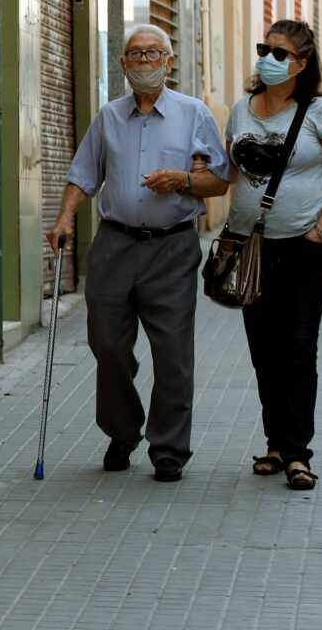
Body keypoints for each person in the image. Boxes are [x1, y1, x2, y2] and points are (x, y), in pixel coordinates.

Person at [47, 24, 230, 482]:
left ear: (169, 62)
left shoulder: (194, 115)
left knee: (172, 352)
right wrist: (64, 218)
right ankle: (123, 429)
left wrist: (182, 181)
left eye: (153, 54)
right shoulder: (108, 117)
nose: (144, 62)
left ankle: (168, 449)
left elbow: (220, 180)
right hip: (114, 244)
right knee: (107, 344)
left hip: (172, 246)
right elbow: (83, 175)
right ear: (124, 66)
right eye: (135, 55)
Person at [225, 19, 322, 491]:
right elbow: (229, 173)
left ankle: (299, 453)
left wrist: (320, 232)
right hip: (251, 248)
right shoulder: (242, 110)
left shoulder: (321, 111)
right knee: (265, 351)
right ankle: (276, 443)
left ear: (302, 64)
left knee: (299, 349)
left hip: (304, 251)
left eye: (280, 53)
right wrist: (187, 176)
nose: (268, 58)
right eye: (265, 48)